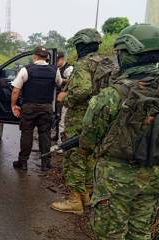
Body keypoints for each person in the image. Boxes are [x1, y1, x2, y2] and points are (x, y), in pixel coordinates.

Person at [80, 23, 159, 240]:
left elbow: (88, 139)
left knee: (110, 234)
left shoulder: (112, 94)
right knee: (141, 232)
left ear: (130, 53)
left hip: (116, 178)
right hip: (153, 177)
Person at [50, 28, 103, 215]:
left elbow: (82, 90)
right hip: (96, 119)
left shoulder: (83, 64)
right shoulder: (104, 63)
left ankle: (74, 201)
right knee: (89, 158)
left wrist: (65, 97)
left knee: (74, 159)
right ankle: (86, 196)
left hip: (79, 119)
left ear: (81, 45)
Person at [11, 47, 62, 171]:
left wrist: (13, 105)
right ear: (47, 57)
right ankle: (45, 163)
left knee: (26, 133)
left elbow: (16, 90)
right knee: (45, 134)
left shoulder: (26, 70)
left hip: (29, 107)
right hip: (46, 107)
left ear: (35, 56)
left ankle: (23, 163)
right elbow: (59, 83)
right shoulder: (55, 70)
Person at [52, 51, 74, 143]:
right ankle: (57, 136)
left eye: (57, 60)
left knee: (62, 119)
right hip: (56, 97)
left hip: (64, 97)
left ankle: (61, 142)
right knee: (57, 117)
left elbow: (71, 81)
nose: (56, 62)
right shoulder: (56, 68)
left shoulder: (69, 68)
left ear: (61, 59)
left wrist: (60, 80)